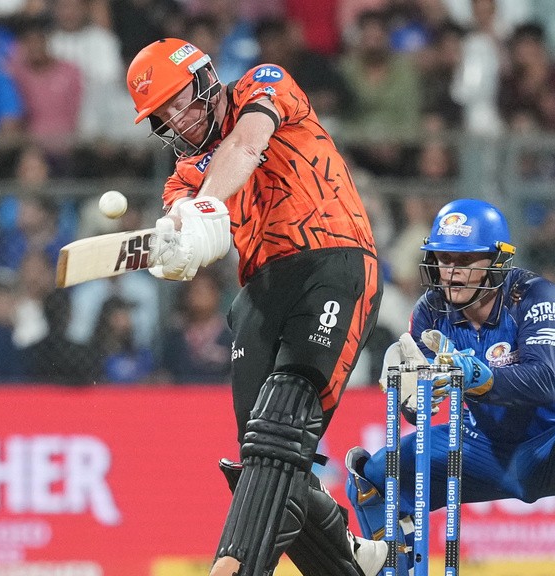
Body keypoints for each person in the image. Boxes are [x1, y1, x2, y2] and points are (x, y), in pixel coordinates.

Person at [125, 38, 384, 576]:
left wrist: (204, 205)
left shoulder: (262, 85)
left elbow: (244, 146)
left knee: (280, 426)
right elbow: (184, 229)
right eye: (163, 115)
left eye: (179, 101)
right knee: (261, 456)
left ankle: (236, 566)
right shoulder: (184, 174)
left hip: (331, 262)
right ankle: (354, 561)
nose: (178, 119)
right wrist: (174, 246)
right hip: (261, 292)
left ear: (204, 79)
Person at [345, 199, 555, 576]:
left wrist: (480, 377)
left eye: (464, 261)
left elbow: (544, 382)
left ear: (496, 261)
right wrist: (410, 396)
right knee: (379, 475)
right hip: (488, 444)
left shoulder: (536, 296)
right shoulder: (431, 310)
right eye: (443, 259)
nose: (450, 273)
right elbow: (420, 403)